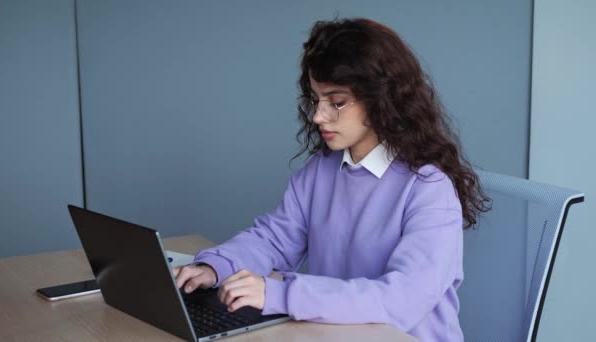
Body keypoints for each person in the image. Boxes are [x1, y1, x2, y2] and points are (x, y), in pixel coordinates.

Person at [173, 17, 490, 342]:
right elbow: (273, 239)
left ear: (382, 98)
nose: (318, 116)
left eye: (337, 102)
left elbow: (401, 301)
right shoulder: (321, 171)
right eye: (315, 99)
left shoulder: (428, 189)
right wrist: (214, 268)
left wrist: (282, 294)